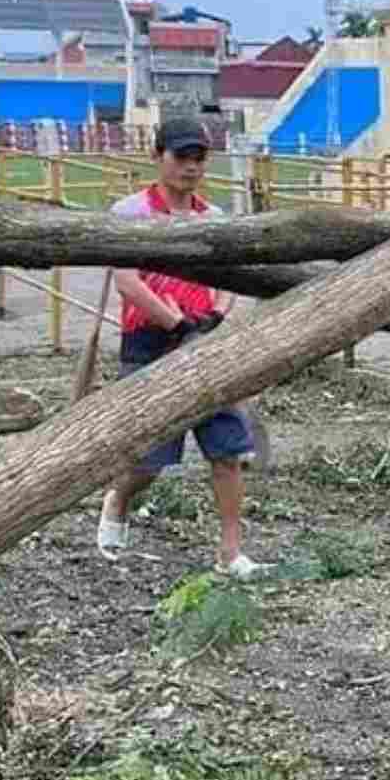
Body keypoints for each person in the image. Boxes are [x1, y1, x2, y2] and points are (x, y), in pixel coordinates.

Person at [97, 118, 269, 579]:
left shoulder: (213, 219)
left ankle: (230, 552)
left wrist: (216, 316)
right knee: (149, 458)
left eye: (198, 158)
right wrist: (175, 322)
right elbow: (128, 282)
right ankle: (117, 500)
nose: (190, 167)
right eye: (180, 157)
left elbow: (231, 280)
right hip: (152, 342)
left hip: (207, 341)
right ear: (158, 157)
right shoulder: (130, 213)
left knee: (227, 452)